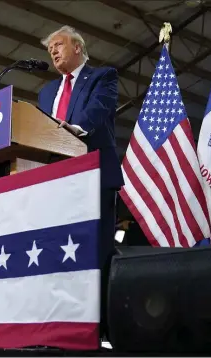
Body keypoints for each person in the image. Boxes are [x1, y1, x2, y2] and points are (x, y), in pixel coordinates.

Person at [38, 25, 124, 339]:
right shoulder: (46, 92)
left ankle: (100, 327)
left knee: (97, 250)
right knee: (57, 252)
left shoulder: (103, 77)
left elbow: (99, 110)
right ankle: (60, 322)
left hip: (95, 175)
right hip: (56, 183)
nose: (54, 52)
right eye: (50, 50)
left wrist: (75, 128)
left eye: (58, 45)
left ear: (77, 47)